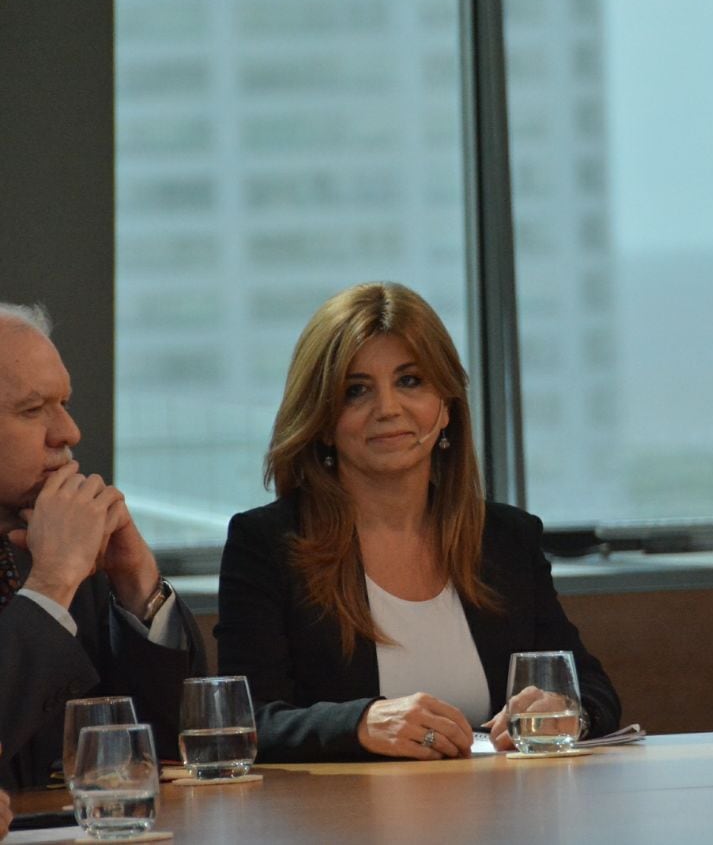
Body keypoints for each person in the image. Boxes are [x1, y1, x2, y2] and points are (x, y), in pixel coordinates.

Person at [216, 282, 620, 762]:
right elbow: (243, 721)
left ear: (446, 407)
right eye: (356, 390)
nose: (388, 409)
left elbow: (592, 690)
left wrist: (567, 710)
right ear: (322, 419)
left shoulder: (507, 539)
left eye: (410, 381)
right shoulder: (267, 544)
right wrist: (360, 723)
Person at [0, 303, 205, 789]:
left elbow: (171, 740)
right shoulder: (57, 560)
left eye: (64, 403)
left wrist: (138, 585)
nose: (69, 433)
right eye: (32, 410)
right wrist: (51, 586)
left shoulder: (53, 534)